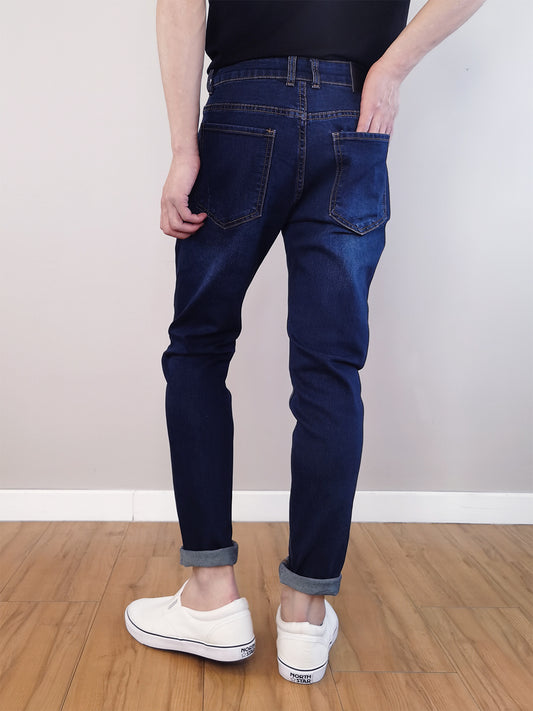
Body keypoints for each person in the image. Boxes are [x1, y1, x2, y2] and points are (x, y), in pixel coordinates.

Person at [125, 0, 487, 685]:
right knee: (329, 369)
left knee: (199, 348)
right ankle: (305, 614)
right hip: (353, 112)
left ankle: (211, 595)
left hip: (243, 108)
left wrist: (182, 149)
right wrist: (389, 70)